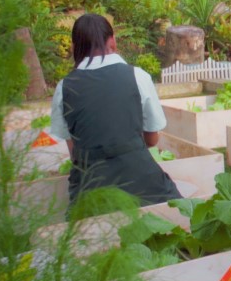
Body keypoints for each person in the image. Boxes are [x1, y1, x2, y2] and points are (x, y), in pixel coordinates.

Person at [49, 13, 181, 206]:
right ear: (112, 41)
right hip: (141, 180)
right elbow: (152, 139)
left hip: (91, 187)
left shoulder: (64, 87)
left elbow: (74, 152)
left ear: (75, 47)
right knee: (178, 215)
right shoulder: (138, 76)